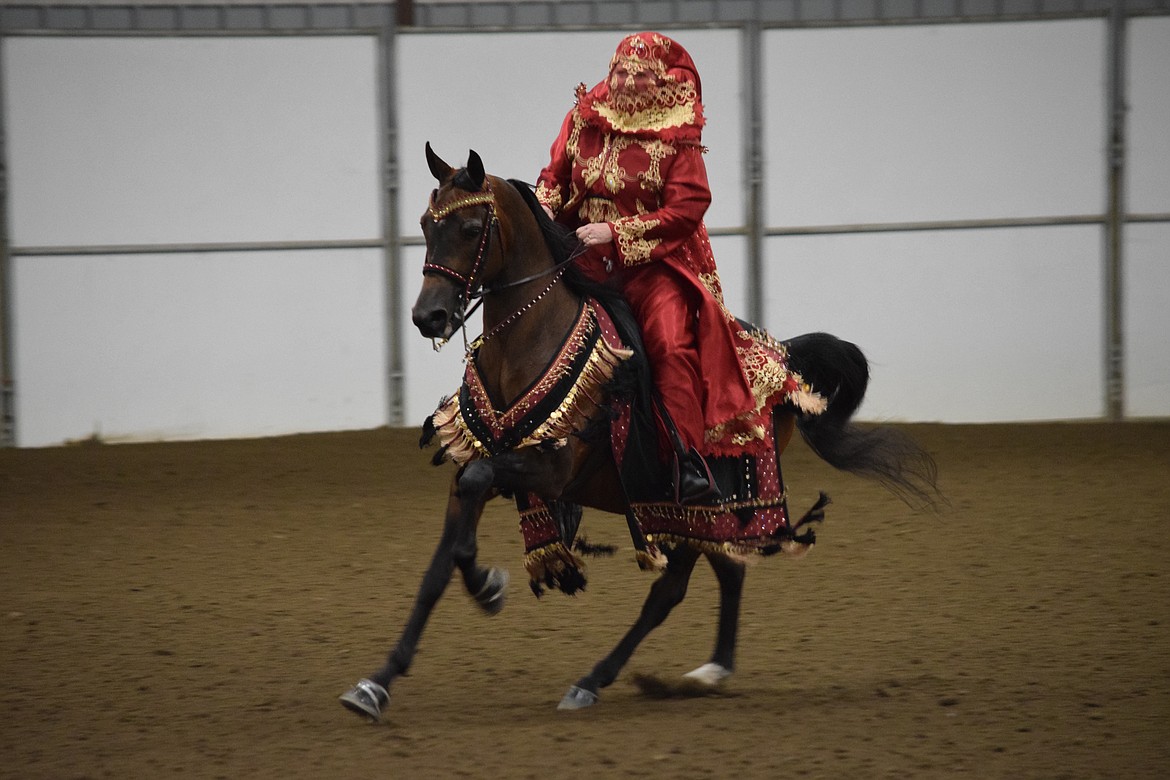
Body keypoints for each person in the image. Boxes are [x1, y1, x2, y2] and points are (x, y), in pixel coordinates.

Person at [536, 32, 762, 504]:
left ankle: (687, 463)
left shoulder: (678, 131)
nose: (627, 81)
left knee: (668, 344)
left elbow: (689, 205)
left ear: (659, 80)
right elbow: (555, 176)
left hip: (653, 266)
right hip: (581, 259)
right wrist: (540, 217)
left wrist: (616, 234)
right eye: (620, 71)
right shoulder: (585, 115)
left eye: (640, 74)